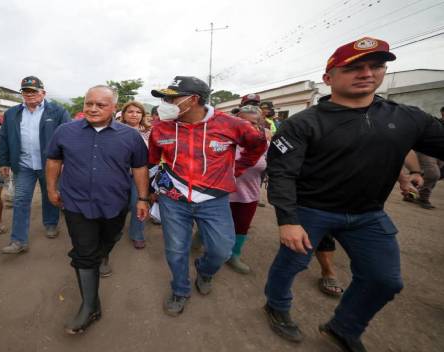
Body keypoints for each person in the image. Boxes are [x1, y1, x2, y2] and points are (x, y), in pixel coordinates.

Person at [263, 37, 444, 351]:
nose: (367, 73)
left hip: (368, 215)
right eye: (354, 68)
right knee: (291, 265)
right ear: (328, 78)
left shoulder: (407, 117)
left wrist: (409, 174)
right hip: (311, 212)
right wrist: (288, 221)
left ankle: (344, 328)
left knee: (384, 280)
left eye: (376, 66)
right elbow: (282, 173)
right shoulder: (302, 123)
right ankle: (276, 305)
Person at [149, 76, 267, 316]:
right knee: (175, 250)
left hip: (214, 199)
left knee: (221, 250)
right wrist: (154, 190)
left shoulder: (231, 124)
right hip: (173, 199)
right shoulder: (161, 126)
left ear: (192, 100)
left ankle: (205, 271)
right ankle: (180, 290)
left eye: (171, 97)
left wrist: (238, 168)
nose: (165, 102)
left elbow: (258, 144)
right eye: (164, 98)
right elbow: (153, 161)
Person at [45, 85, 149, 334]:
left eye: (100, 105)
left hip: (114, 203)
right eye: (88, 103)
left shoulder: (130, 136)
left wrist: (142, 198)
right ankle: (90, 306)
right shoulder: (65, 131)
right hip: (76, 203)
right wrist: (51, 189)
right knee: (84, 252)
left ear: (114, 108)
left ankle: (102, 253)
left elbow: (140, 168)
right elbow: (54, 160)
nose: (92, 108)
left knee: (110, 238)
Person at [0, 76, 70, 254]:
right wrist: (4, 161)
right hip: (24, 165)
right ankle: (18, 240)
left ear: (43, 93)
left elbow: (68, 139)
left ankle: (51, 224)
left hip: (50, 165)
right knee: (21, 200)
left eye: (33, 91)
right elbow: (4, 138)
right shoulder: (12, 113)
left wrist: (66, 162)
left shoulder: (58, 111)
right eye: (25, 91)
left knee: (50, 195)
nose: (29, 95)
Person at [226, 105, 271, 274]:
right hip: (221, 195)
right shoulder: (223, 140)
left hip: (249, 195)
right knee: (213, 226)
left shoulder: (264, 144)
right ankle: (200, 240)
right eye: (241, 121)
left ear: (259, 124)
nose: (246, 126)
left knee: (241, 226)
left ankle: (234, 255)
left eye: (252, 123)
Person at [116, 100, 151, 251]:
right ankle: (114, 230)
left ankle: (137, 234)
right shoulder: (114, 131)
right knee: (118, 205)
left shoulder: (150, 132)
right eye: (130, 111)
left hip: (140, 176)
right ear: (123, 114)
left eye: (138, 112)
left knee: (138, 203)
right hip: (118, 175)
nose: (134, 115)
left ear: (142, 115)